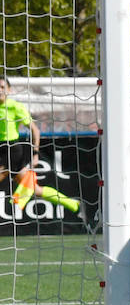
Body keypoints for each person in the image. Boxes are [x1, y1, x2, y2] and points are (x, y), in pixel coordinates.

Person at [0, 76, 85, 222]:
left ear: (9, 90)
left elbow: (35, 130)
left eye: (2, 87)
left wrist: (35, 154)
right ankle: (74, 205)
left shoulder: (15, 107)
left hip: (11, 151)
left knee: (30, 189)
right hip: (3, 152)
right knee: (35, 189)